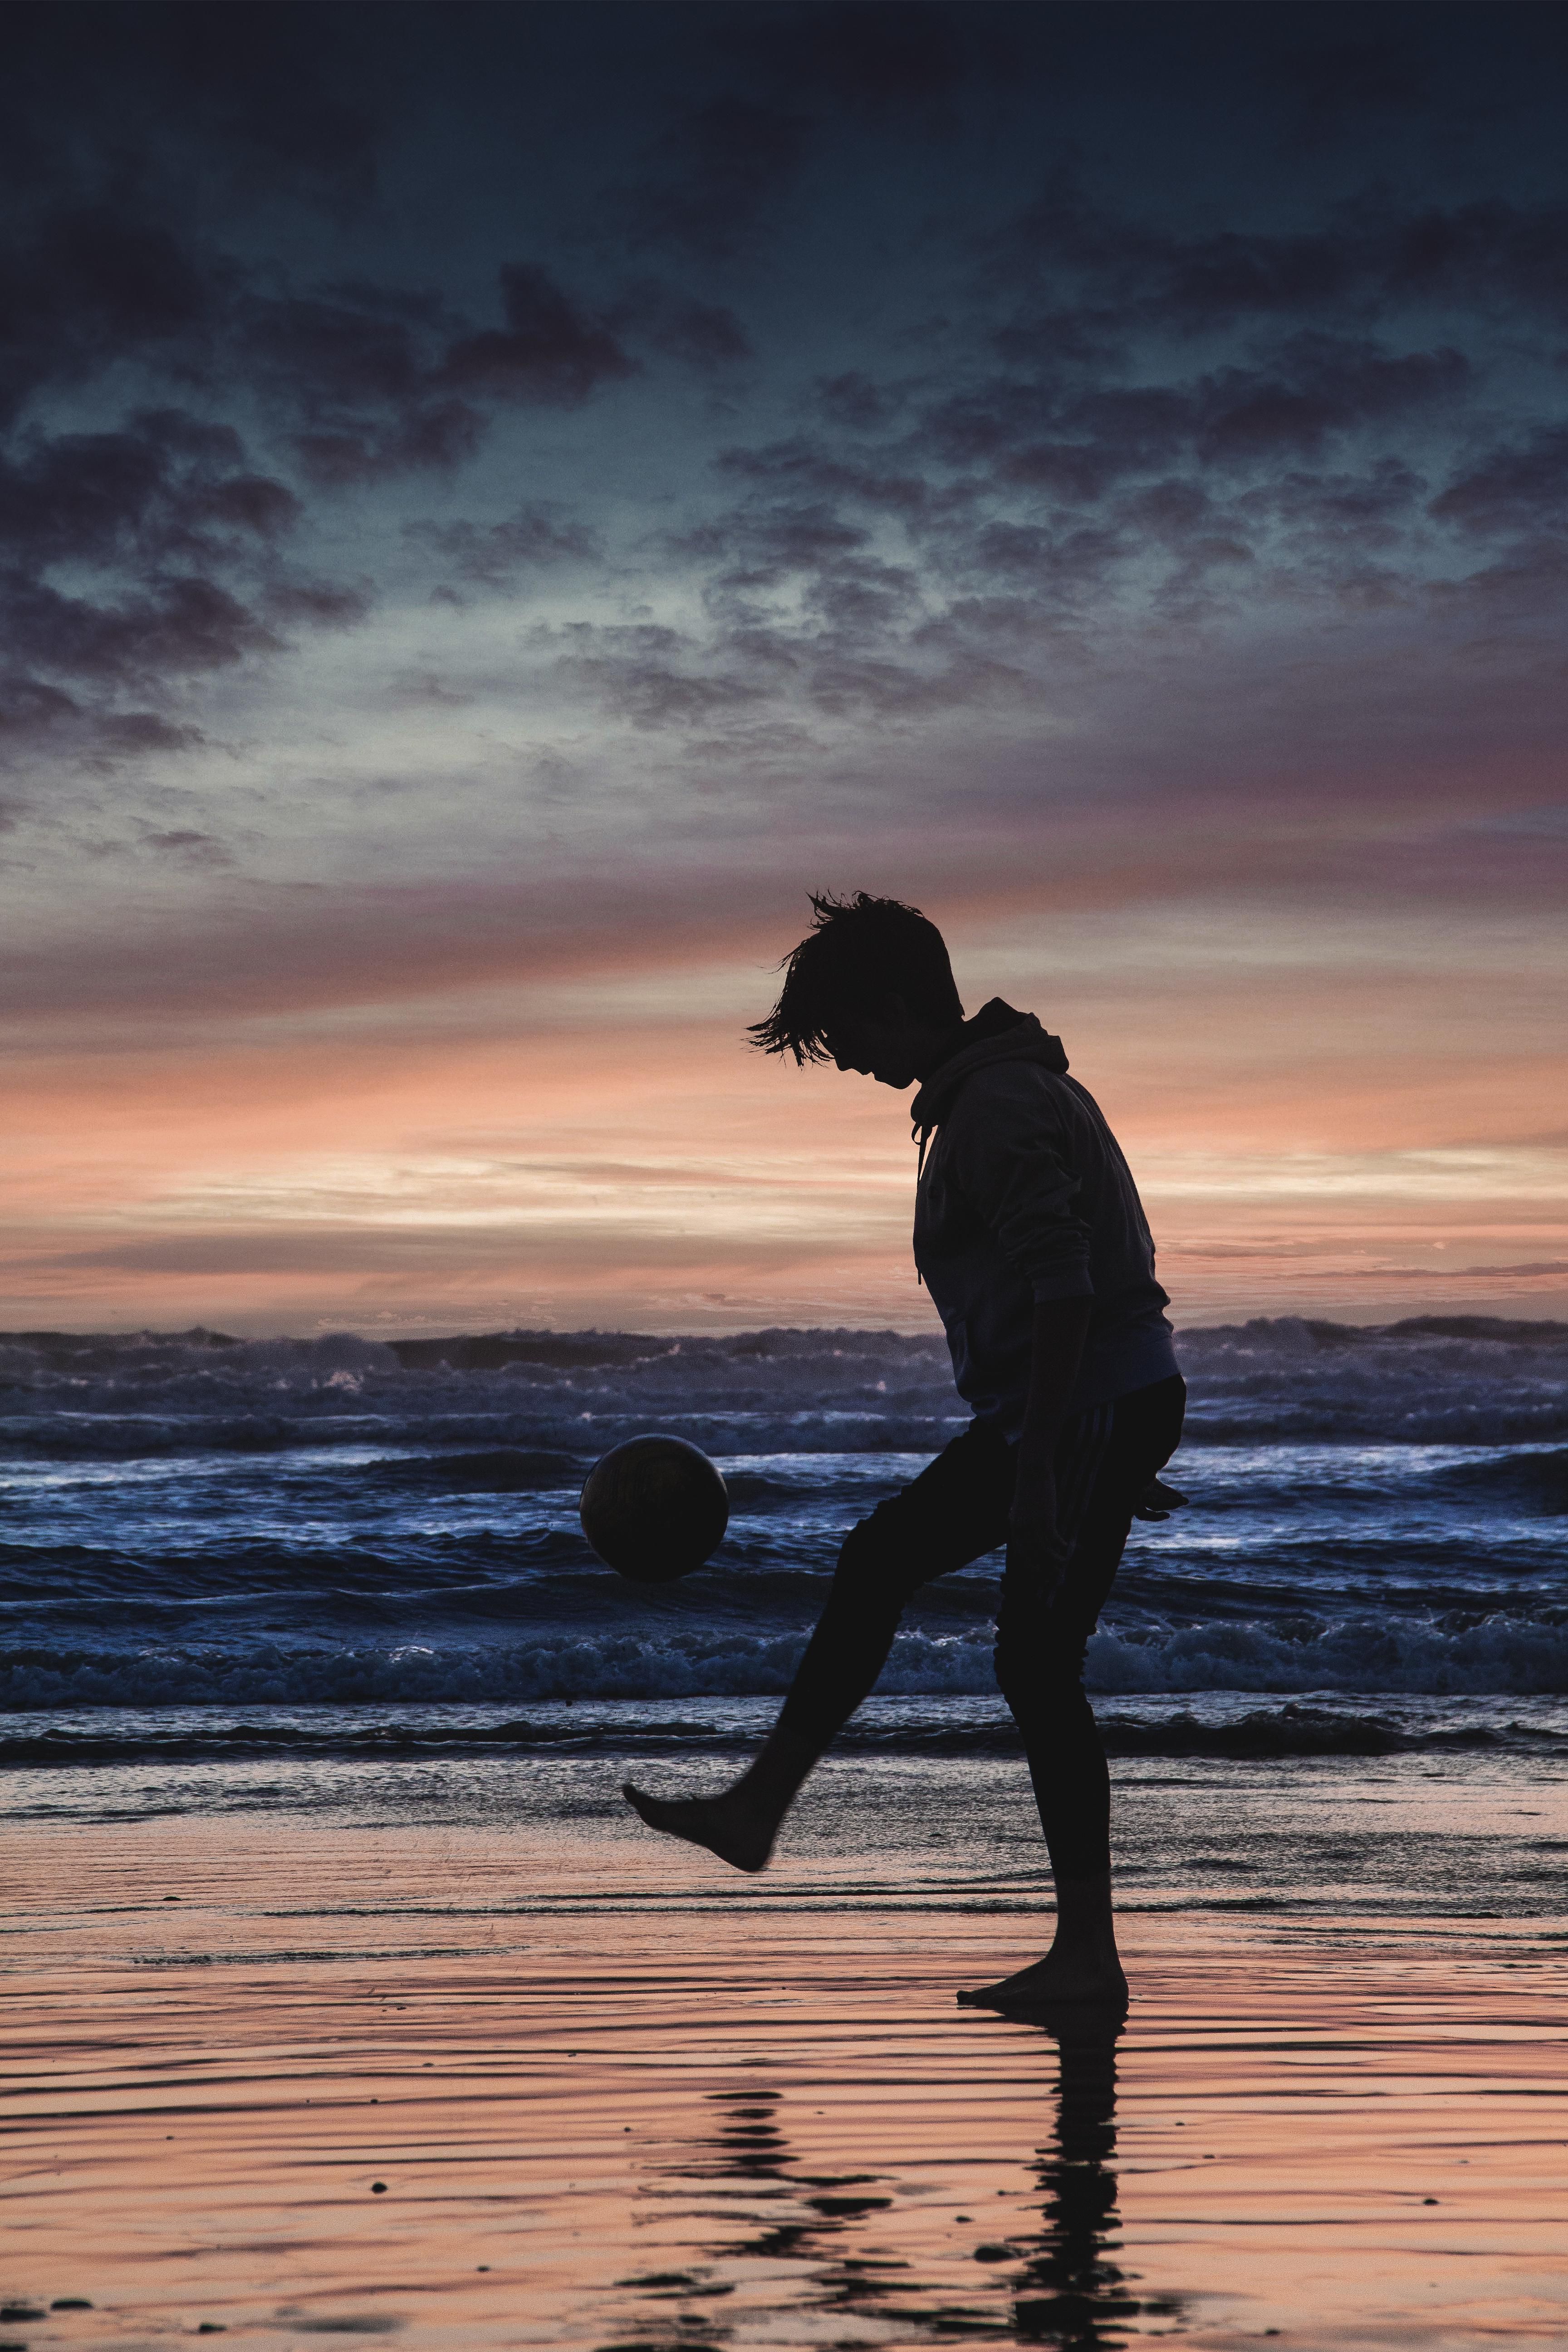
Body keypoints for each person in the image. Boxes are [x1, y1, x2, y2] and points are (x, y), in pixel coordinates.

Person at [623, 892, 1185, 2006]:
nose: (841, 1063)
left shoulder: (996, 1108)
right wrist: (1099, 1448)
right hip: (1077, 1414)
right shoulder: (995, 1093)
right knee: (905, 1577)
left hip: (1072, 1415)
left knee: (1013, 1652)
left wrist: (1050, 1472)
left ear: (896, 1005)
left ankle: (1085, 1961)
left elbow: (1069, 1288)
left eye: (846, 1036)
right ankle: (764, 1813)